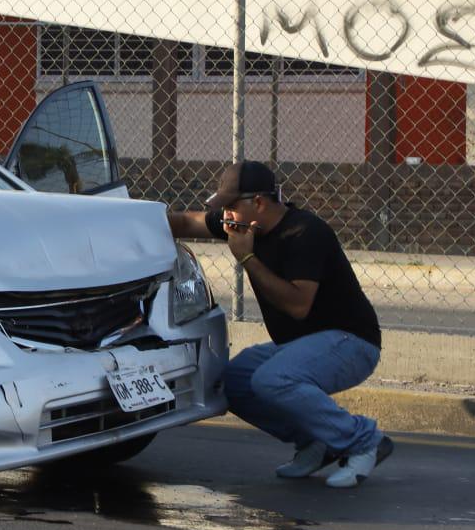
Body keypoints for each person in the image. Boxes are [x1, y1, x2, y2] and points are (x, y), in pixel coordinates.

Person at [167, 160, 393, 488]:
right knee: (234, 381)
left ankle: (364, 440)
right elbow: (187, 223)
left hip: (350, 343)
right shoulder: (244, 224)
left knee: (273, 379)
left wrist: (246, 258)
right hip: (301, 344)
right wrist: (129, 219)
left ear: (258, 202)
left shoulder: (305, 233)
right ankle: (316, 441)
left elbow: (298, 305)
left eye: (231, 206)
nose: (225, 215)